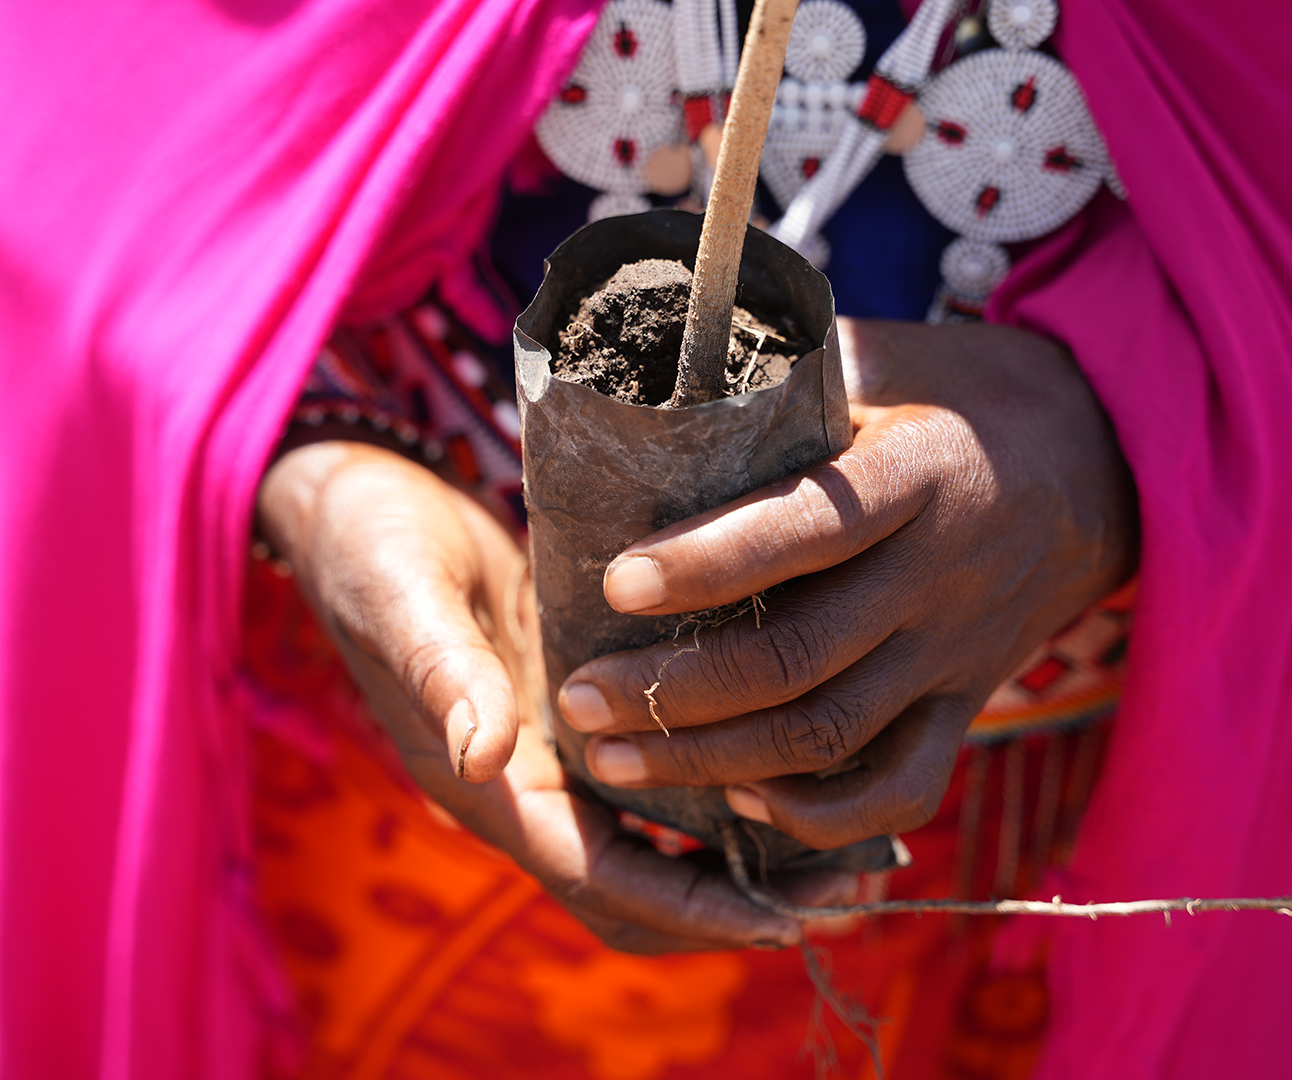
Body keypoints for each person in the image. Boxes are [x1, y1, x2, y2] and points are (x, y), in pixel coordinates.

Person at [1, 0, 1289, 1078]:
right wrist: (317, 454)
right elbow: (92, 114)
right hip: (386, 766)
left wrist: (1134, 430)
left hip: (1071, 842)